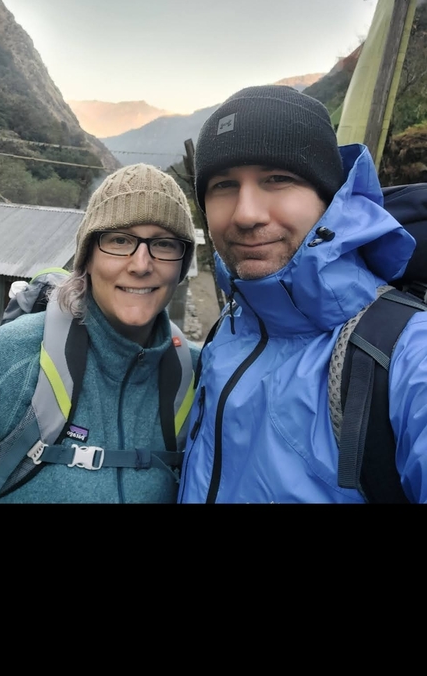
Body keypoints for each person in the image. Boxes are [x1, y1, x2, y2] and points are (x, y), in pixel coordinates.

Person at [177, 85, 427, 504]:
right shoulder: (232, 329)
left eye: (278, 179)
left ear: (328, 198)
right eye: (223, 185)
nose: (246, 214)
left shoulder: (405, 354)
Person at [0, 164, 201, 504]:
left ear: (181, 265)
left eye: (164, 244)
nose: (141, 265)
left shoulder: (196, 376)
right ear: (88, 258)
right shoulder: (9, 362)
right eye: (120, 240)